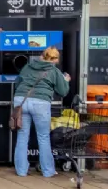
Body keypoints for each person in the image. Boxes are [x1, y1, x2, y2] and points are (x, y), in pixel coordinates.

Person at [13, 46, 70, 178]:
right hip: (40, 103)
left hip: (21, 101)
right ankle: (48, 171)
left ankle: (21, 171)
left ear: (42, 56)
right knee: (43, 137)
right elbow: (63, 91)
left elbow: (17, 84)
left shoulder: (28, 66)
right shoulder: (54, 71)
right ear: (55, 59)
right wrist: (65, 81)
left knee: (22, 136)